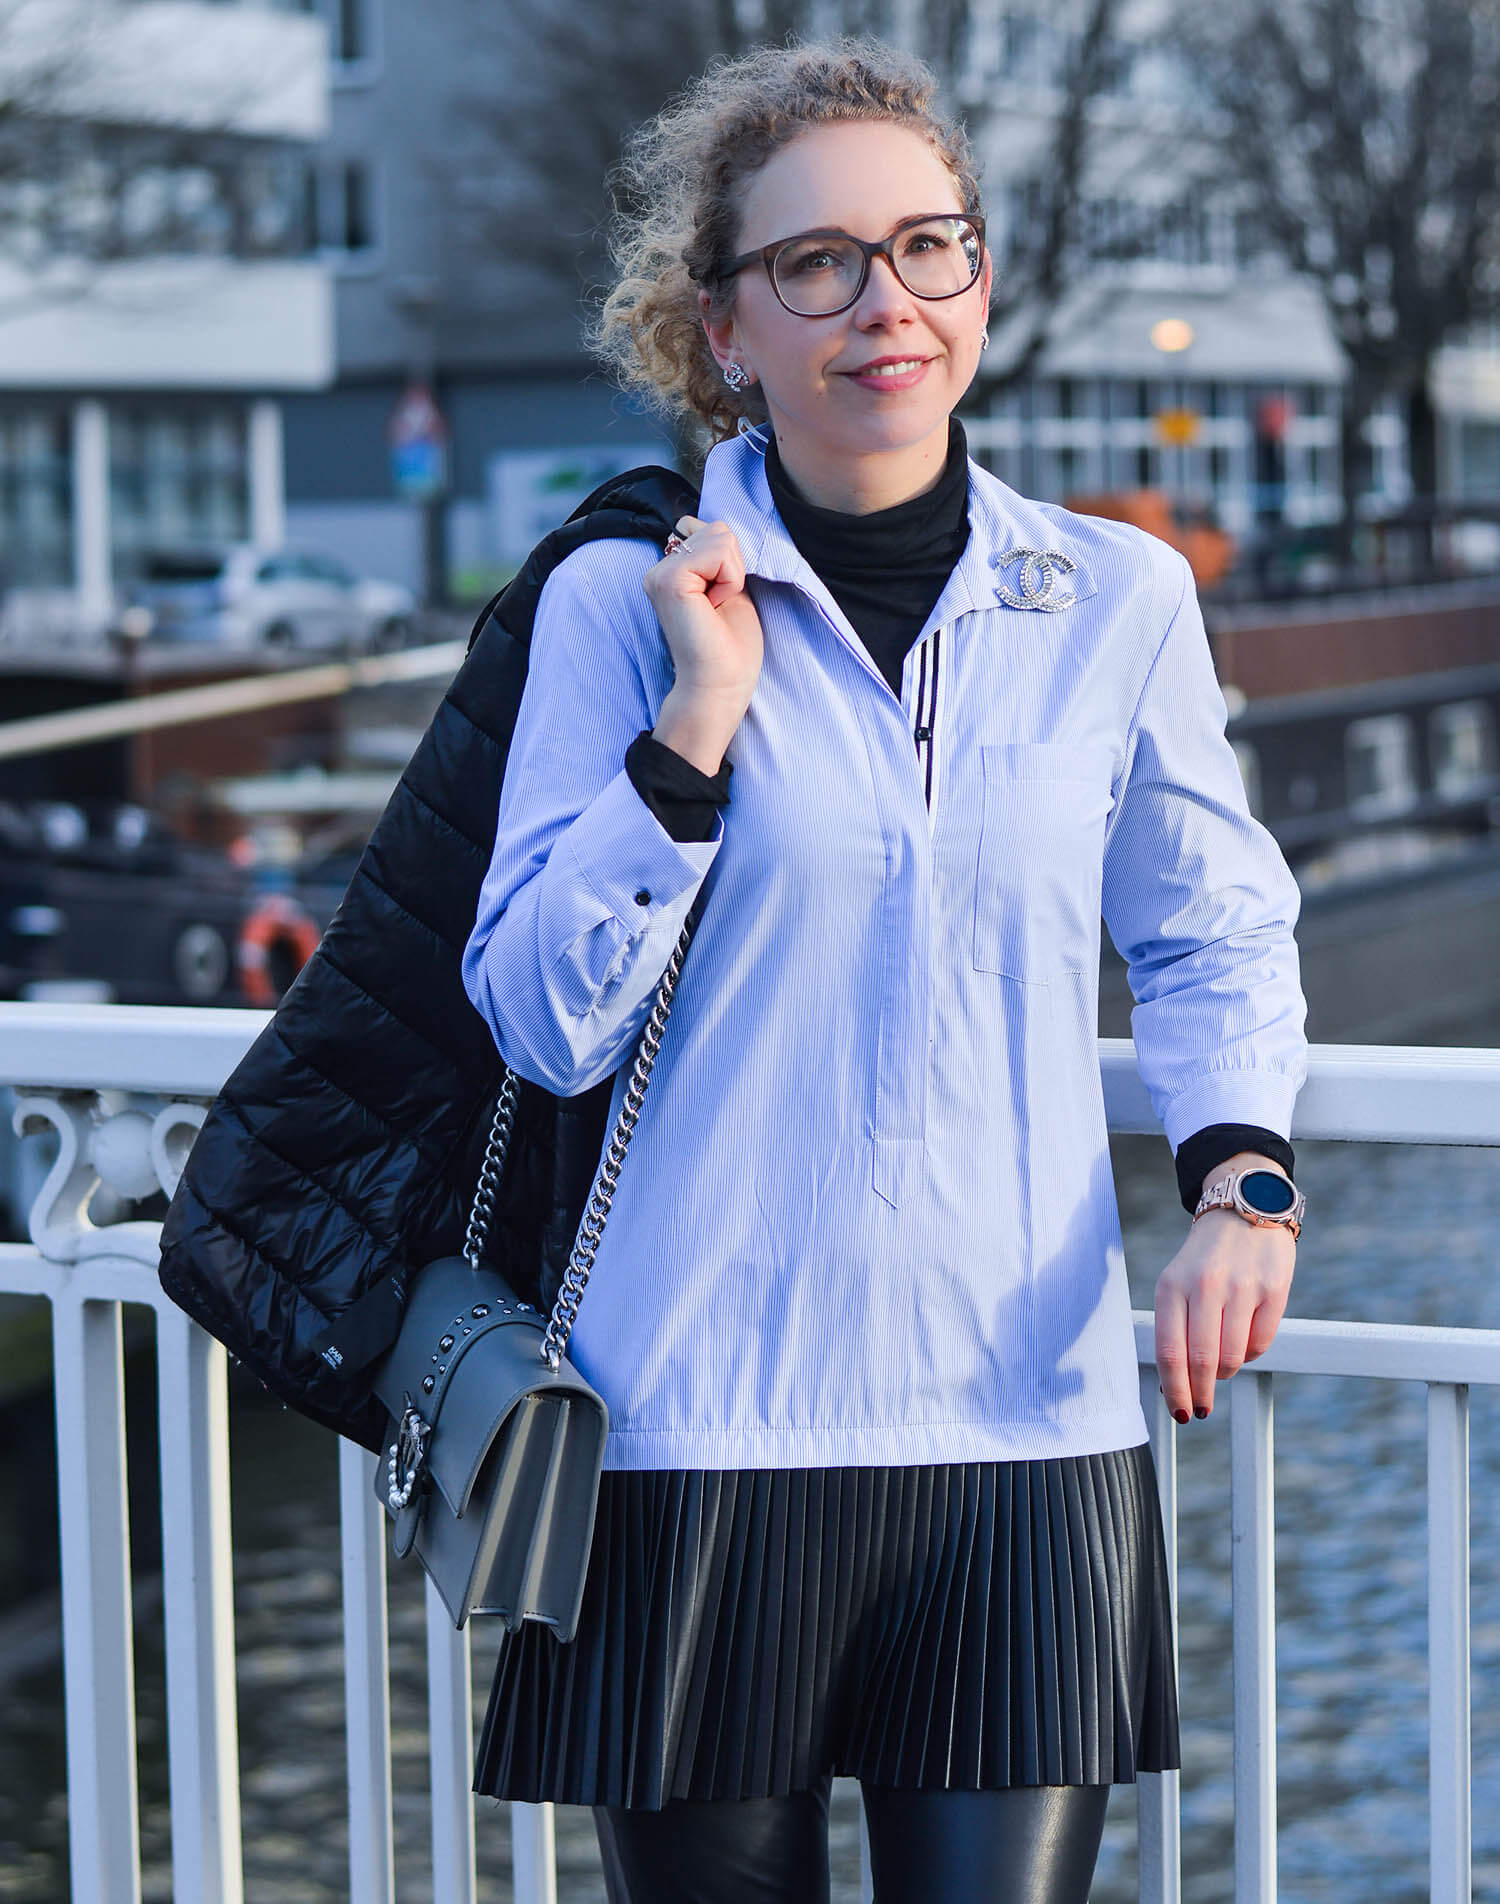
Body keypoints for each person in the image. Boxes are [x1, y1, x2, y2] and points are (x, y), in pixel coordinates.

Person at [460, 37, 1308, 1904]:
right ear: (725, 327)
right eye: (818, 263)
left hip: (1029, 1420)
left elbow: (1211, 919)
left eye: (931, 247)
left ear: (982, 283)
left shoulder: (1113, 598)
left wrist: (1243, 1181)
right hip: (695, 1430)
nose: (885, 303)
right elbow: (534, 1007)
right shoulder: (622, 605)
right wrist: (688, 741)